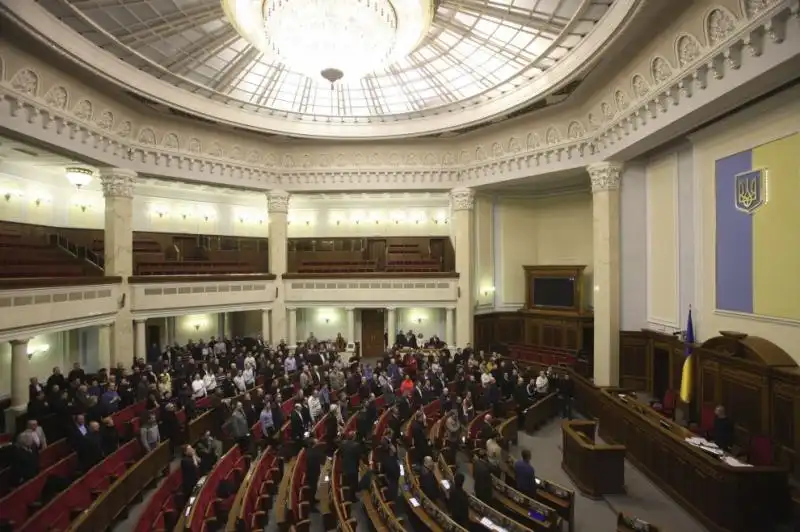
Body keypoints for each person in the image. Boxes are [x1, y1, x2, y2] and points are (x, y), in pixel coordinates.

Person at [305, 437, 325, 509]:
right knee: (312, 489)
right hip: (312, 473)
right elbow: (322, 461)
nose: (318, 443)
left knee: (314, 488)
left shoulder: (308, 450)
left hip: (311, 472)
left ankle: (313, 500)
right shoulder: (314, 453)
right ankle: (311, 506)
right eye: (317, 442)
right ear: (314, 444)